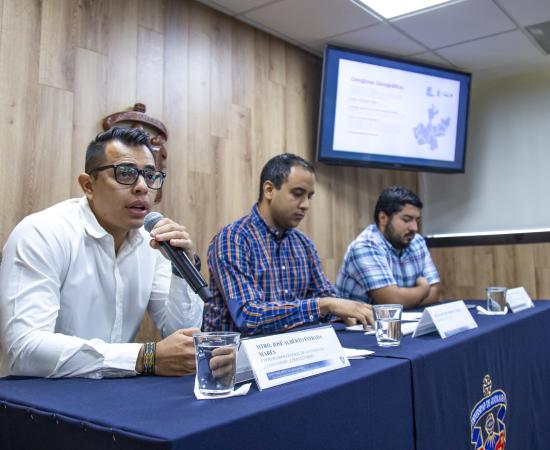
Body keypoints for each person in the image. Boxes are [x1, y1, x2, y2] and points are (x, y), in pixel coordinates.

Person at [0, 127, 204, 378]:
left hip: (116, 391)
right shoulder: (42, 232)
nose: (142, 187)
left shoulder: (154, 243)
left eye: (150, 176)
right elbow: (24, 349)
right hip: (41, 395)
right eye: (125, 173)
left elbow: (183, 338)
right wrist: (145, 357)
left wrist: (181, 270)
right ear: (89, 185)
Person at [203, 153, 373, 336]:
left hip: (293, 348)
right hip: (234, 352)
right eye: (298, 194)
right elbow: (249, 317)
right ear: (269, 190)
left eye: (309, 196)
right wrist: (324, 306)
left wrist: (344, 311)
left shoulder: (303, 244)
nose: (306, 205)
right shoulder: (233, 239)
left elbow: (326, 298)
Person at [335, 186, 440, 309]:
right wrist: (424, 288)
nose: (414, 228)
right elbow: (392, 301)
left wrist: (405, 301)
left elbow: (435, 293)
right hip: (356, 321)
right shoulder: (366, 246)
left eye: (417, 220)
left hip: (401, 318)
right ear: (383, 218)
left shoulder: (417, 241)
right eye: (406, 220)